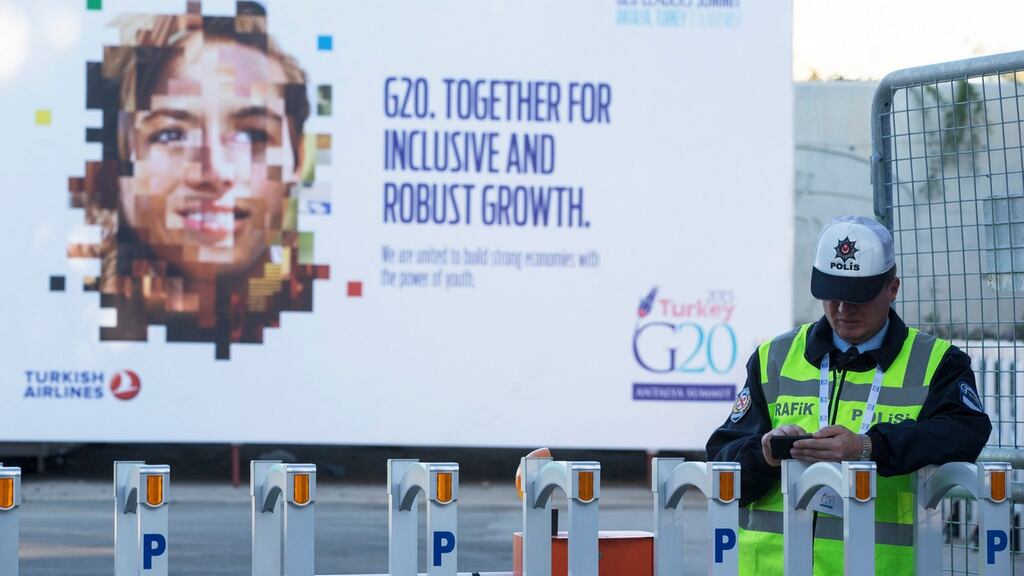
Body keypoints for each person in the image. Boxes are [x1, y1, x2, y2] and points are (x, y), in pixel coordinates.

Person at [706, 215, 991, 575]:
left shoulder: (938, 362)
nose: (843, 309)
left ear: (893, 287)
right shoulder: (773, 357)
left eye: (858, 297)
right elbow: (722, 461)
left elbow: (965, 434)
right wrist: (765, 454)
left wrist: (868, 448)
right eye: (833, 294)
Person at [68, 1, 328, 359]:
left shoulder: (331, 328)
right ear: (113, 169)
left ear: (295, 160)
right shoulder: (70, 329)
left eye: (252, 136)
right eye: (171, 135)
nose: (215, 172)